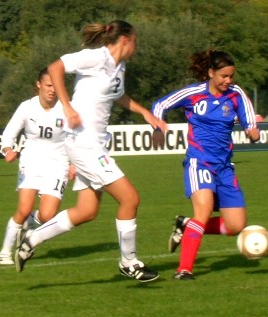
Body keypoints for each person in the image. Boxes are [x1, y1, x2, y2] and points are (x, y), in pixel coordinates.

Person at [15, 20, 167, 282]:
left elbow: (117, 96)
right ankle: (129, 263)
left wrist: (145, 113)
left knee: (87, 211)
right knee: (130, 199)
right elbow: (55, 67)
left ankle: (32, 238)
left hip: (94, 143)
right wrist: (68, 107)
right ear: (125, 40)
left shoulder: (119, 67)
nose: (136, 47)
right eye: (136, 42)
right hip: (84, 144)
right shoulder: (96, 57)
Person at [151, 49, 260, 280]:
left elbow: (250, 123)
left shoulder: (236, 94)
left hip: (224, 167)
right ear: (211, 73)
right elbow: (160, 105)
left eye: (231, 76)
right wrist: (158, 127)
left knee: (236, 225)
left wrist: (253, 131)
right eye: (224, 76)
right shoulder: (194, 93)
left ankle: (186, 225)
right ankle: (184, 270)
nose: (228, 81)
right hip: (198, 162)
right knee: (204, 210)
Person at [0, 67, 72, 265]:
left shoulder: (66, 108)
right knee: (23, 209)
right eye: (48, 85)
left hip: (58, 164)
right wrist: (7, 150)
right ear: (38, 85)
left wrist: (74, 163)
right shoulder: (27, 107)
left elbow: (76, 136)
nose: (52, 90)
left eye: (55, 85)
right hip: (31, 162)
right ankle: (5, 252)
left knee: (47, 215)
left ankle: (29, 224)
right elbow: (9, 133)